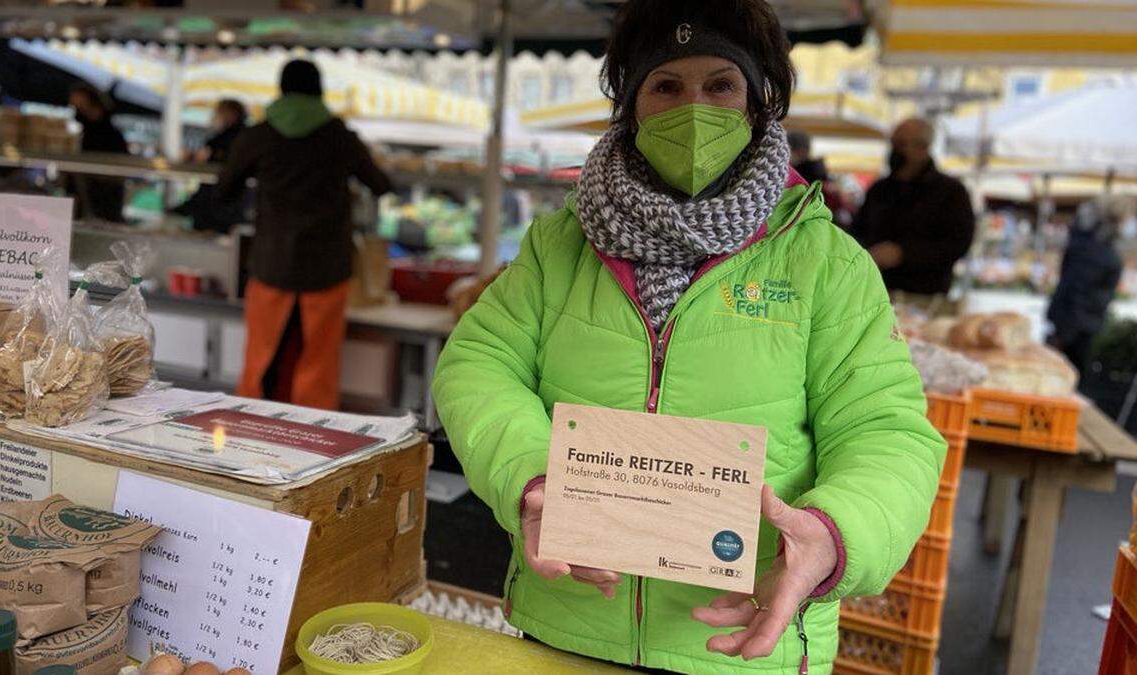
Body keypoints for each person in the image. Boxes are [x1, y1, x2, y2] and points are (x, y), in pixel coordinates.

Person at [432, 2, 946, 673]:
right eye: (666, 85)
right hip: (568, 623)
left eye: (720, 84)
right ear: (632, 105)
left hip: (744, 641)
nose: (693, 108)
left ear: (760, 100)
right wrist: (532, 476)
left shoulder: (825, 263)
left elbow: (887, 428)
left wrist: (833, 533)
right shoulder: (560, 245)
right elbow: (478, 363)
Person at [216, 59, 392, 410]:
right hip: (326, 266)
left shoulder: (260, 134)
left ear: (281, 90)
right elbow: (381, 184)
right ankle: (312, 434)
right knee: (319, 360)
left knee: (261, 358)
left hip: (271, 262)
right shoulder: (338, 136)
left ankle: (249, 422)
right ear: (319, 90)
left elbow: (223, 189)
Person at [851, 118, 975, 311]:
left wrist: (903, 253)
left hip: (926, 298)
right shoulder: (879, 190)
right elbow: (856, 232)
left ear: (923, 147)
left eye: (901, 144)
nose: (894, 151)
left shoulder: (951, 192)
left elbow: (958, 244)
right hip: (873, 293)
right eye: (893, 144)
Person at [1047, 196, 1131, 373]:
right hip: (1076, 329)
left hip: (1074, 324)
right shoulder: (1098, 251)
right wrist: (1065, 334)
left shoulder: (1084, 242)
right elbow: (1079, 292)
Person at [177, 99, 248, 233]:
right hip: (232, 209)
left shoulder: (224, 140)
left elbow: (212, 173)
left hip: (215, 209)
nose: (213, 118)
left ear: (230, 115)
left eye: (217, 113)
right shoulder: (245, 137)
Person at [67, 82, 129, 222]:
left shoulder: (109, 135)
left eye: (80, 106)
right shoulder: (88, 132)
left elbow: (117, 175)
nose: (77, 111)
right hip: (90, 205)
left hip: (103, 206)